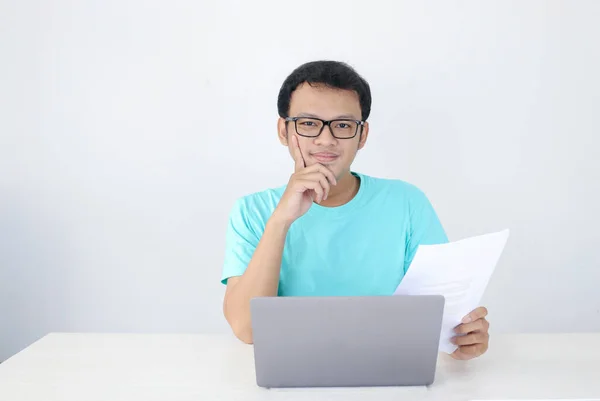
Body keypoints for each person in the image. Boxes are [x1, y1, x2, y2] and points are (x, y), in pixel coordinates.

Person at [220, 60, 490, 360]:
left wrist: (462, 338)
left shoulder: (407, 203)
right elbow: (247, 330)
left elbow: (443, 319)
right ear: (284, 130)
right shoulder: (252, 211)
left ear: (362, 135)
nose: (326, 139)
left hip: (388, 373)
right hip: (290, 377)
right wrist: (281, 220)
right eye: (309, 123)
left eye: (343, 125)